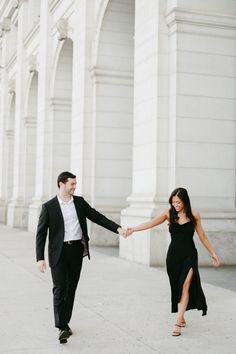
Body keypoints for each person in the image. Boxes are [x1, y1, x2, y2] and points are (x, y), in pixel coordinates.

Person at [36, 171, 126, 344]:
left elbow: (97, 217)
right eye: (72, 184)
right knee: (59, 288)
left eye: (75, 184)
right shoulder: (49, 207)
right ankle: (61, 326)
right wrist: (39, 258)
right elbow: (41, 234)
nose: (74, 187)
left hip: (76, 250)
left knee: (71, 289)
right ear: (61, 184)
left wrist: (118, 229)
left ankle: (65, 322)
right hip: (58, 252)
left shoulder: (79, 202)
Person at [125, 187, 220, 337]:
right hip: (173, 257)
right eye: (173, 202)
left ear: (185, 201)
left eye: (178, 202)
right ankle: (181, 316)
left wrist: (212, 253)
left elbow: (202, 236)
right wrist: (133, 229)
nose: (175, 205)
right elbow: (151, 223)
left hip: (189, 256)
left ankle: (177, 323)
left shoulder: (194, 215)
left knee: (185, 285)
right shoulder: (168, 214)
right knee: (177, 287)